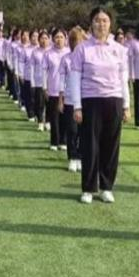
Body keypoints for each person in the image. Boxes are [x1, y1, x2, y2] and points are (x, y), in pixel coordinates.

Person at [68, 8, 130, 205]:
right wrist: (77, 106)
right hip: (90, 100)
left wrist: (126, 105)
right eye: (97, 20)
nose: (101, 24)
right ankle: (88, 188)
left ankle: (106, 187)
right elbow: (75, 79)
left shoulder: (119, 49)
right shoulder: (82, 49)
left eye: (104, 20)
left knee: (111, 146)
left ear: (110, 24)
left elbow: (123, 79)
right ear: (91, 24)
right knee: (90, 145)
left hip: (114, 99)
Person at [62, 28, 87, 172]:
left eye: (81, 40)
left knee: (83, 131)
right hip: (70, 99)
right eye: (76, 41)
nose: (78, 44)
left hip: (85, 99)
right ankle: (72, 157)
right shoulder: (66, 58)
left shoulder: (88, 58)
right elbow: (62, 80)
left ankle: (81, 156)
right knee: (72, 130)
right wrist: (61, 98)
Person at [42, 29, 70, 150]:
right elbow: (44, 71)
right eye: (57, 37)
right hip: (53, 89)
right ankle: (54, 142)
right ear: (53, 39)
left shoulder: (69, 53)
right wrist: (45, 87)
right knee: (54, 118)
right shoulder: (48, 53)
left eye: (61, 37)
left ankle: (63, 141)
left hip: (67, 90)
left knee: (64, 117)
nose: (59, 39)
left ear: (65, 39)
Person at [32, 31, 51, 131]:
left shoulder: (51, 51)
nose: (44, 40)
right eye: (42, 38)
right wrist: (32, 81)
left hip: (50, 82)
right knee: (40, 103)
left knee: (49, 103)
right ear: (39, 40)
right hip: (39, 81)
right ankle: (40, 122)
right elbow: (32, 67)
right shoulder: (35, 52)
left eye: (46, 38)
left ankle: (47, 121)